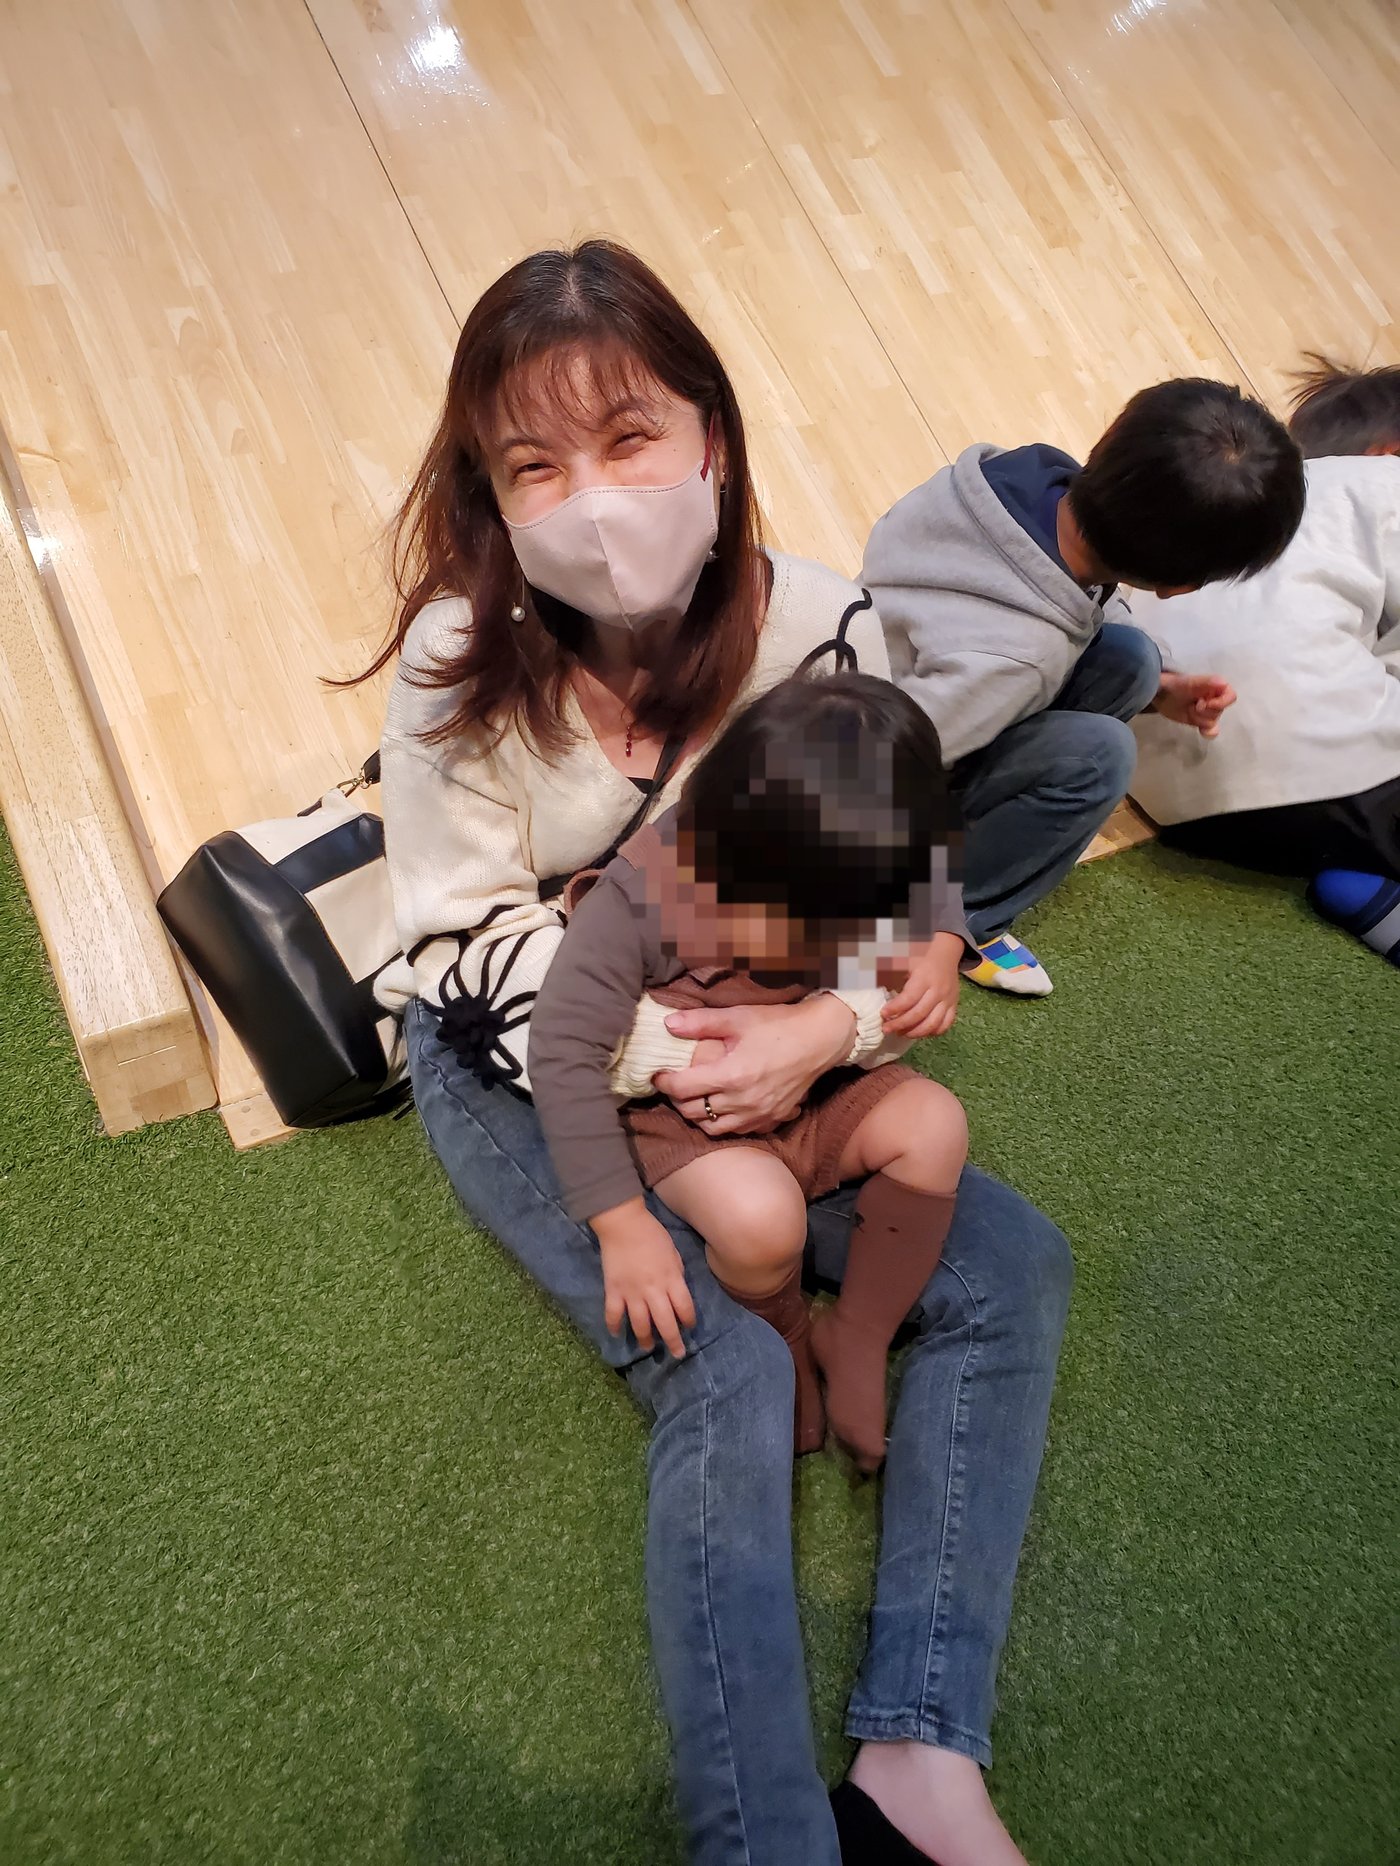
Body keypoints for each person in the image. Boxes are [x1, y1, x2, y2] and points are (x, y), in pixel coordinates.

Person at [361, 239, 1073, 1866]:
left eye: (629, 439)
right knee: (725, 1360)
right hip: (523, 1046)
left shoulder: (822, 621)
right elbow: (457, 947)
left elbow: (908, 860)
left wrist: (830, 1022)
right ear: (490, 492)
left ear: (713, 438)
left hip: (769, 1026)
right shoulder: (457, 657)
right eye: (533, 466)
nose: (591, 500)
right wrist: (683, 1058)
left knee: (1011, 1264)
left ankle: (921, 1751)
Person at [530, 673, 975, 1473]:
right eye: (803, 928)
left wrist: (942, 943)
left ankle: (858, 1332)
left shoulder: (860, 856)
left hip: (820, 1088)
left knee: (937, 1126)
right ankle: (788, 1335)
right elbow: (561, 1050)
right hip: (692, 1125)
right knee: (763, 1221)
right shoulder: (640, 899)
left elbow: (934, 869)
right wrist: (621, 1225)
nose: (834, 943)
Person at [863, 379, 1306, 995]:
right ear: (1179, 587)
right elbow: (886, 762)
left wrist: (1159, 689)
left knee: (1133, 660)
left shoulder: (1016, 476)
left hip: (908, 672)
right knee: (1101, 759)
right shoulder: (1018, 656)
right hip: (872, 778)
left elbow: (1085, 606)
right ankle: (947, 921)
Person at [1129, 355, 1400, 968]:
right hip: (1336, 781)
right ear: (1389, 454)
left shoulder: (1242, 494)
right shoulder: (1383, 486)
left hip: (1178, 798)